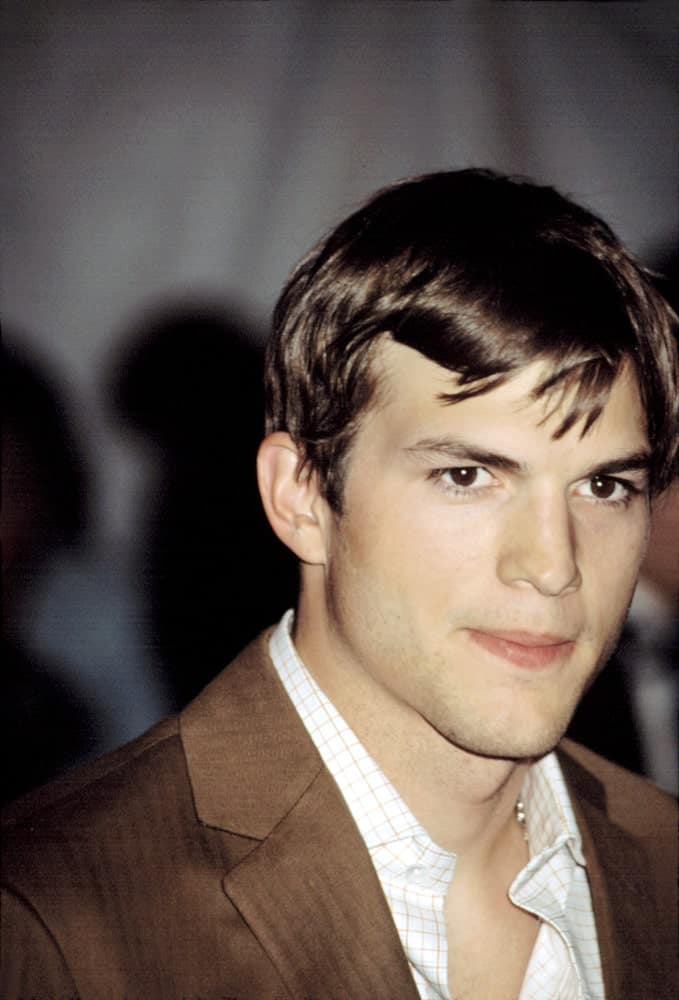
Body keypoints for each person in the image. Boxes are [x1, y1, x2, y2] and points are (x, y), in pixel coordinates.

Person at [2, 169, 677, 1000]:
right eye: (467, 475)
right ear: (301, 495)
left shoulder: (666, 861)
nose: (552, 564)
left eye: (604, 486)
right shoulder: (51, 920)